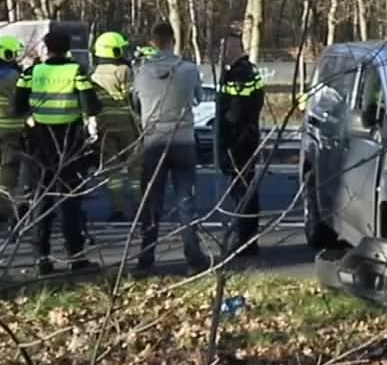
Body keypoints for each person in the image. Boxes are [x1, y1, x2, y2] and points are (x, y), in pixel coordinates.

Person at [15, 29, 101, 274]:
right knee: (71, 202)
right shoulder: (76, 71)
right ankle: (75, 256)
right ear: (67, 48)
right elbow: (91, 106)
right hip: (70, 143)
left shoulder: (31, 73)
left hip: (40, 143)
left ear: (46, 48)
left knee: (42, 201)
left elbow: (17, 107)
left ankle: (41, 257)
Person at [130, 22, 209, 272]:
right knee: (186, 200)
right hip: (183, 140)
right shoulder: (188, 69)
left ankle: (146, 256)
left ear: (153, 43)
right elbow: (198, 98)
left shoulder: (141, 72)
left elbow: (135, 104)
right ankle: (194, 257)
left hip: (153, 141)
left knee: (152, 201)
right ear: (173, 41)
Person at [214, 53, 268, 260]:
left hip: (238, 141)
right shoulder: (249, 72)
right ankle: (247, 238)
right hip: (248, 138)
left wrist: (224, 139)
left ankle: (243, 240)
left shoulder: (239, 75)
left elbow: (235, 112)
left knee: (241, 191)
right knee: (246, 190)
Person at [89, 30, 140, 220]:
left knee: (112, 169)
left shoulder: (94, 73)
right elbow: (133, 97)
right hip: (126, 123)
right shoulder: (123, 71)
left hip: (105, 126)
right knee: (135, 166)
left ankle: (117, 207)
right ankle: (139, 204)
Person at [0, 34, 31, 224]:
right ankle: (4, 210)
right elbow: (23, 101)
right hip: (12, 131)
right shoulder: (13, 76)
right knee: (8, 172)